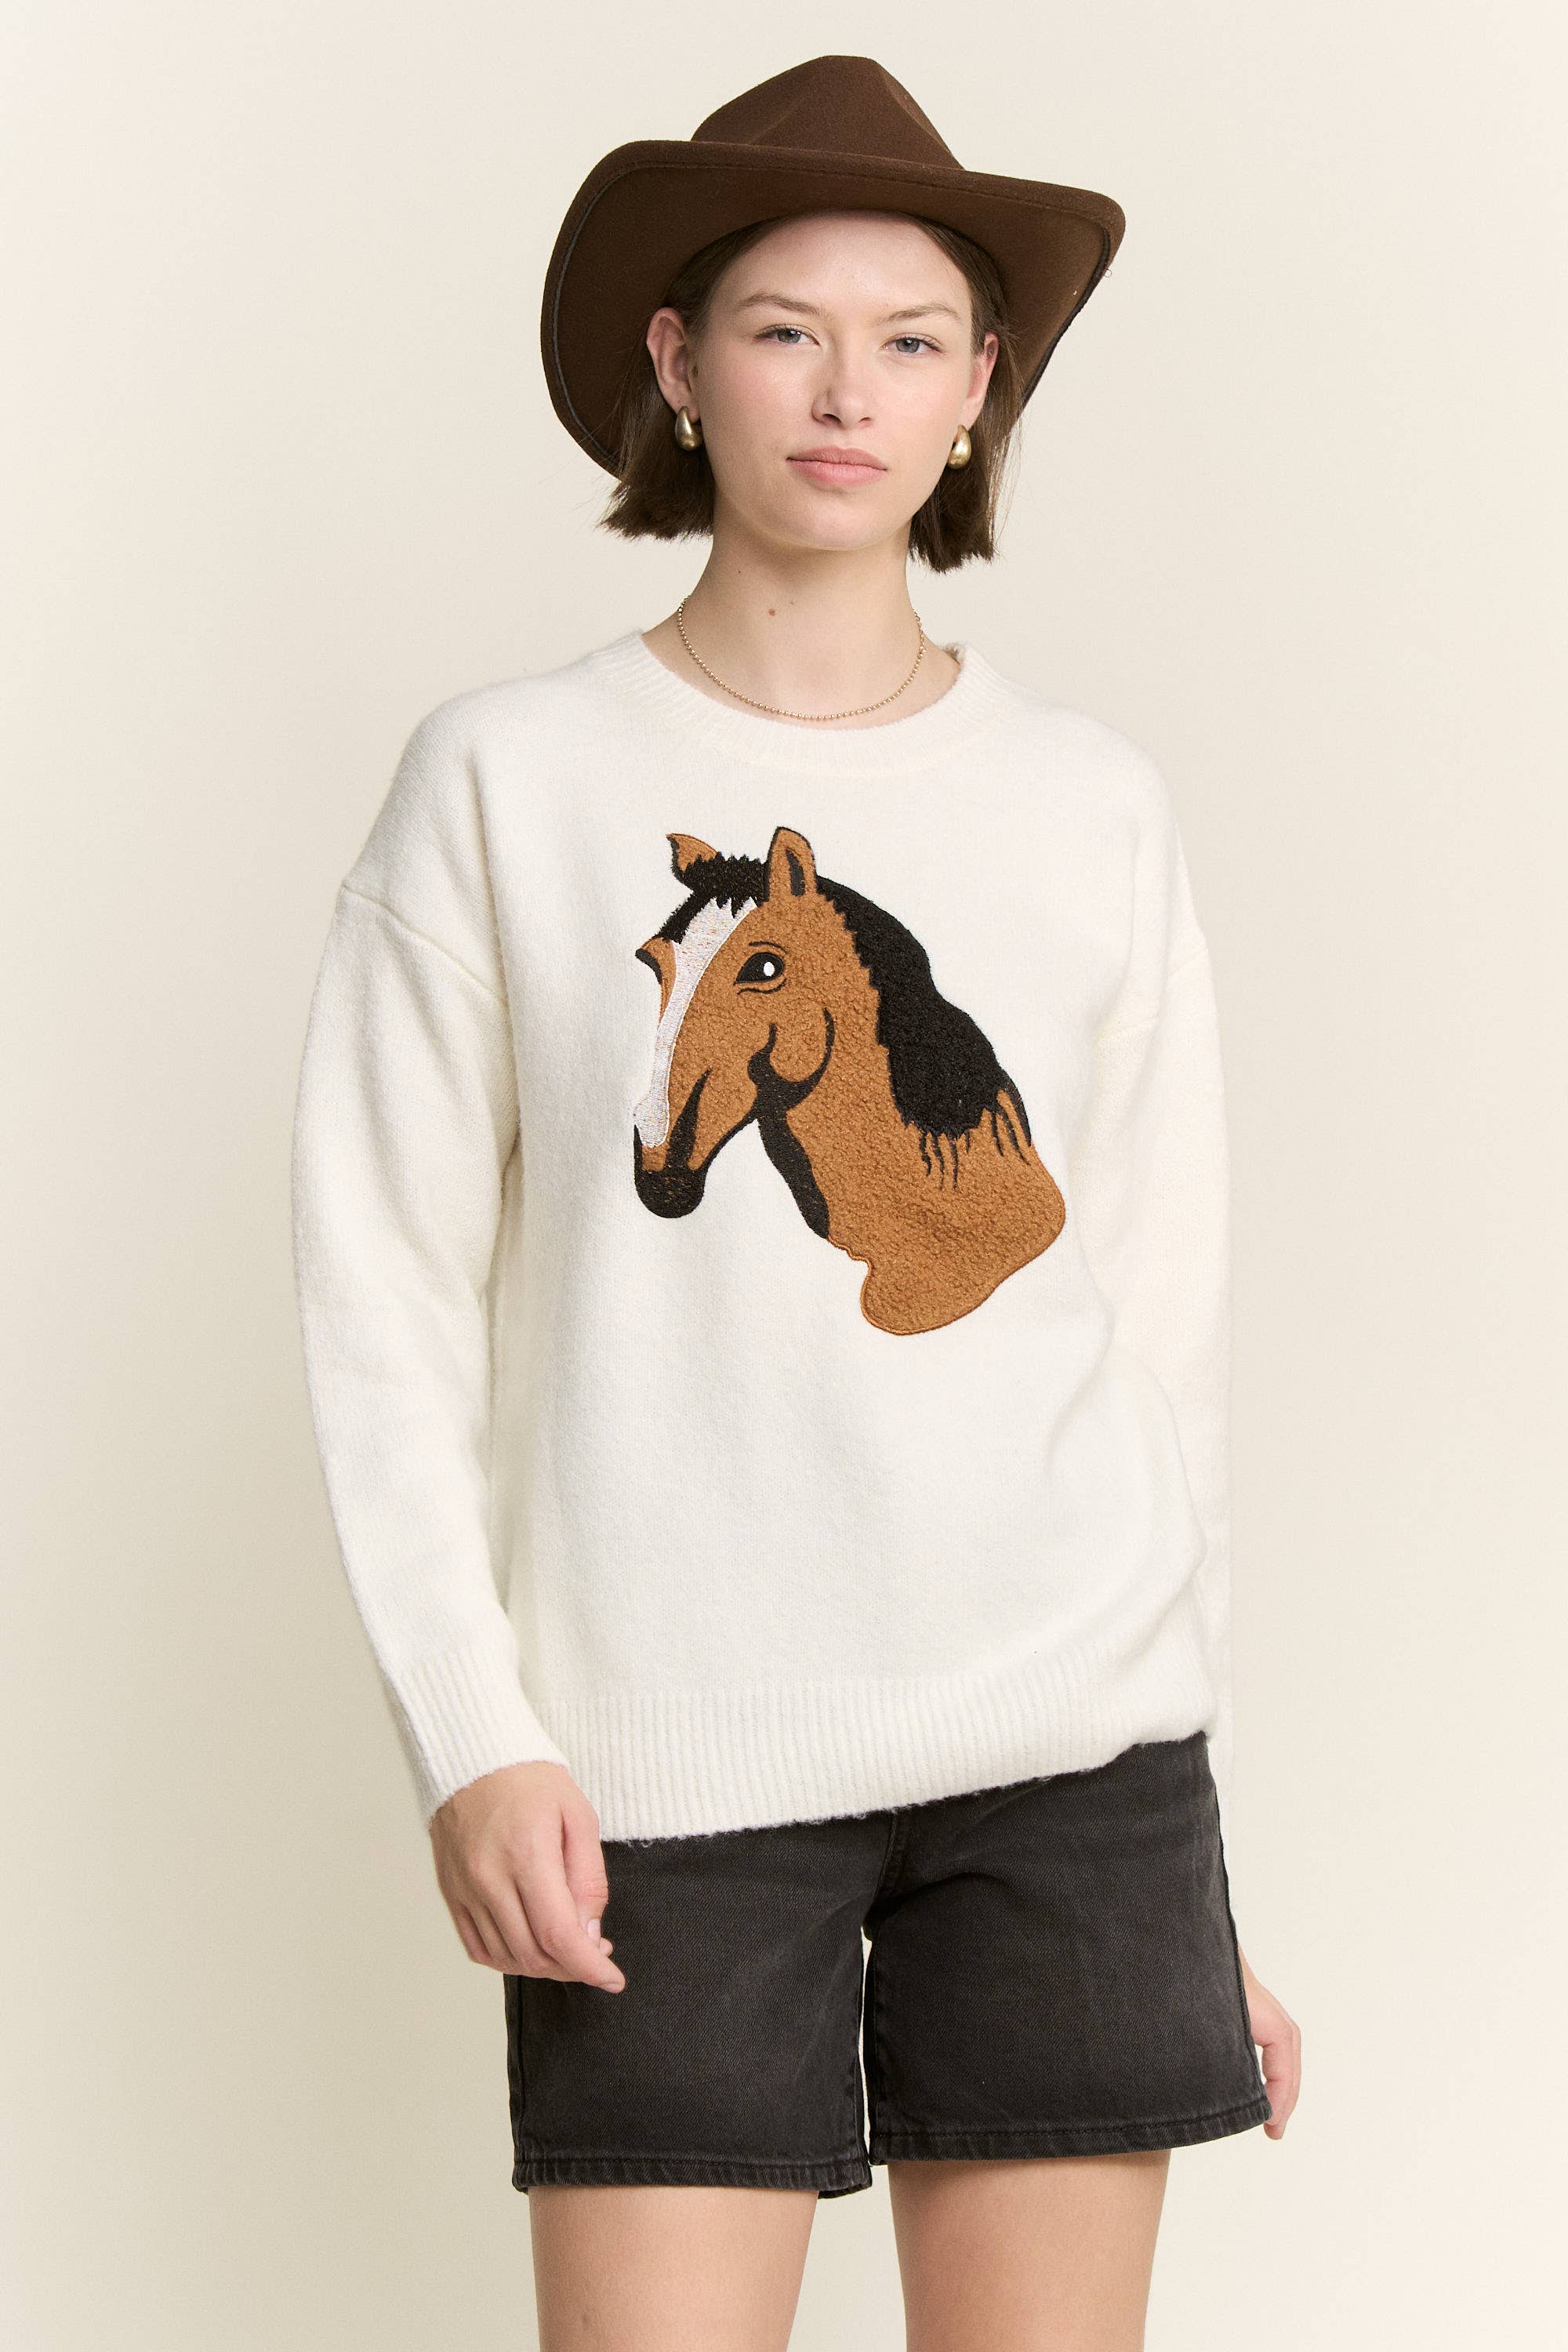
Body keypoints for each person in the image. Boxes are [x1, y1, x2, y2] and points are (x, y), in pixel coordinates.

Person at [291, 52, 1301, 2350]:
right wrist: (473, 1732)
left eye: (912, 339)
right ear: (677, 364)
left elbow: (1159, 1341)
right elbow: (381, 1296)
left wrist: (1200, 1871)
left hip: (1078, 1770)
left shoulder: (1089, 806)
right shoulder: (508, 784)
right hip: (665, 1758)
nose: (849, 392)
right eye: (784, 330)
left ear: (978, 392)